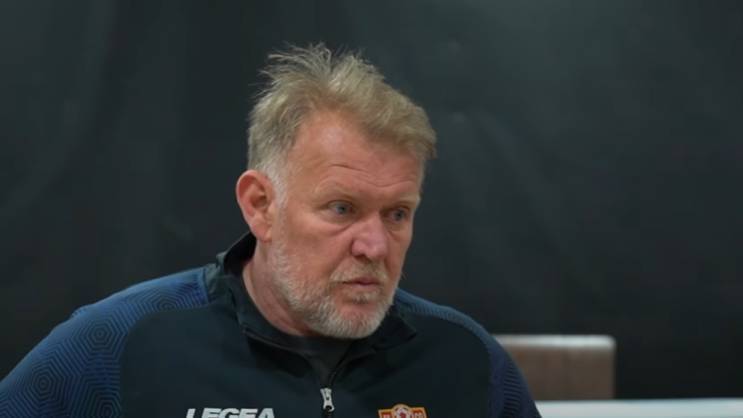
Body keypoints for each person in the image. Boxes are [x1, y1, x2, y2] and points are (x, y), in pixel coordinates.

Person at [0, 44, 540, 417]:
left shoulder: (464, 358)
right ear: (260, 206)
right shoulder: (119, 343)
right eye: (342, 208)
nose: (374, 245)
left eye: (397, 213)